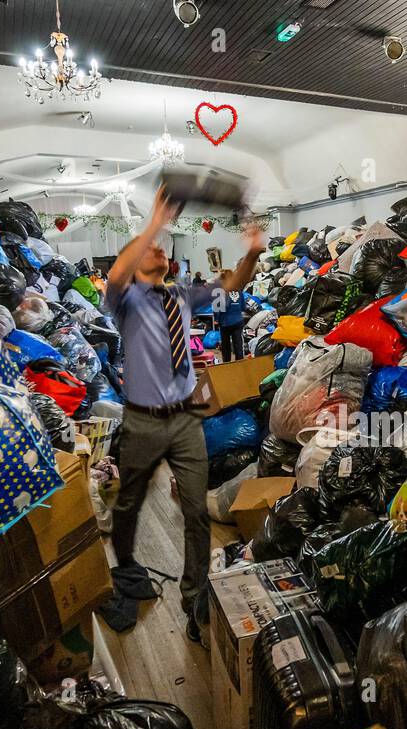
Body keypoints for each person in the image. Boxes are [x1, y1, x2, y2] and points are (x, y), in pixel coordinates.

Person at [102, 184, 266, 639]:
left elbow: (233, 286)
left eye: (160, 246)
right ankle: (128, 569)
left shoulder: (182, 296)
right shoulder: (125, 301)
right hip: (141, 420)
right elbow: (116, 275)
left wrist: (251, 252)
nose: (158, 249)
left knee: (195, 511)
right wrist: (154, 220)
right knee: (129, 505)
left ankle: (194, 599)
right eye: (148, 248)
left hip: (185, 419)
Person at [213, 269, 247, 362]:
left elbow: (218, 308)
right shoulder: (238, 290)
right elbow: (243, 307)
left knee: (226, 346)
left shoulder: (219, 290)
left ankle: (227, 364)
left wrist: (216, 319)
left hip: (225, 321)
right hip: (238, 320)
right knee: (238, 344)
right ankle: (239, 364)